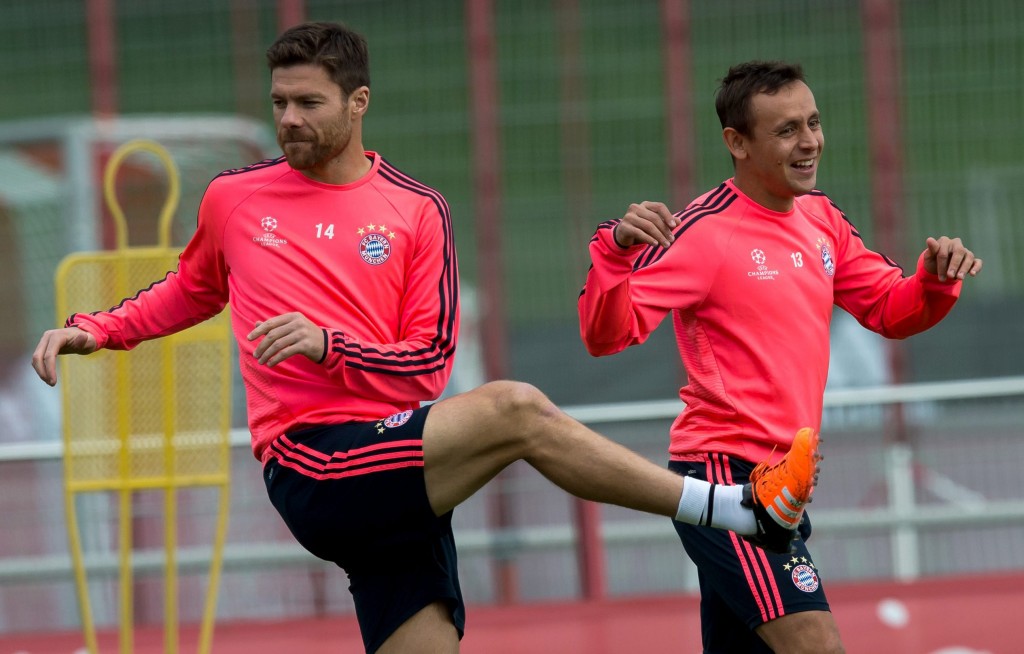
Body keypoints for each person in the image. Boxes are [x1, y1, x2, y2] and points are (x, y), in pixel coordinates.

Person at [32, 27, 819, 654]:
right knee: (515, 409)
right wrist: (96, 329)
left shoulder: (417, 210)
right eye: (279, 102)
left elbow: (428, 364)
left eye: (307, 102)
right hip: (314, 463)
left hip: (403, 462)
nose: (288, 118)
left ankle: (739, 510)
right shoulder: (234, 199)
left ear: (358, 103)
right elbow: (191, 288)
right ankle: (736, 509)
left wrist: (328, 344)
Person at [578, 60, 982, 654]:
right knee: (816, 645)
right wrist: (614, 255)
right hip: (727, 481)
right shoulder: (702, 232)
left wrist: (934, 282)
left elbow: (888, 309)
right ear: (737, 143)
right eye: (787, 130)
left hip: (786, 488)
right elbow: (606, 335)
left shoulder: (822, 218)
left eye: (813, 123)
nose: (810, 141)